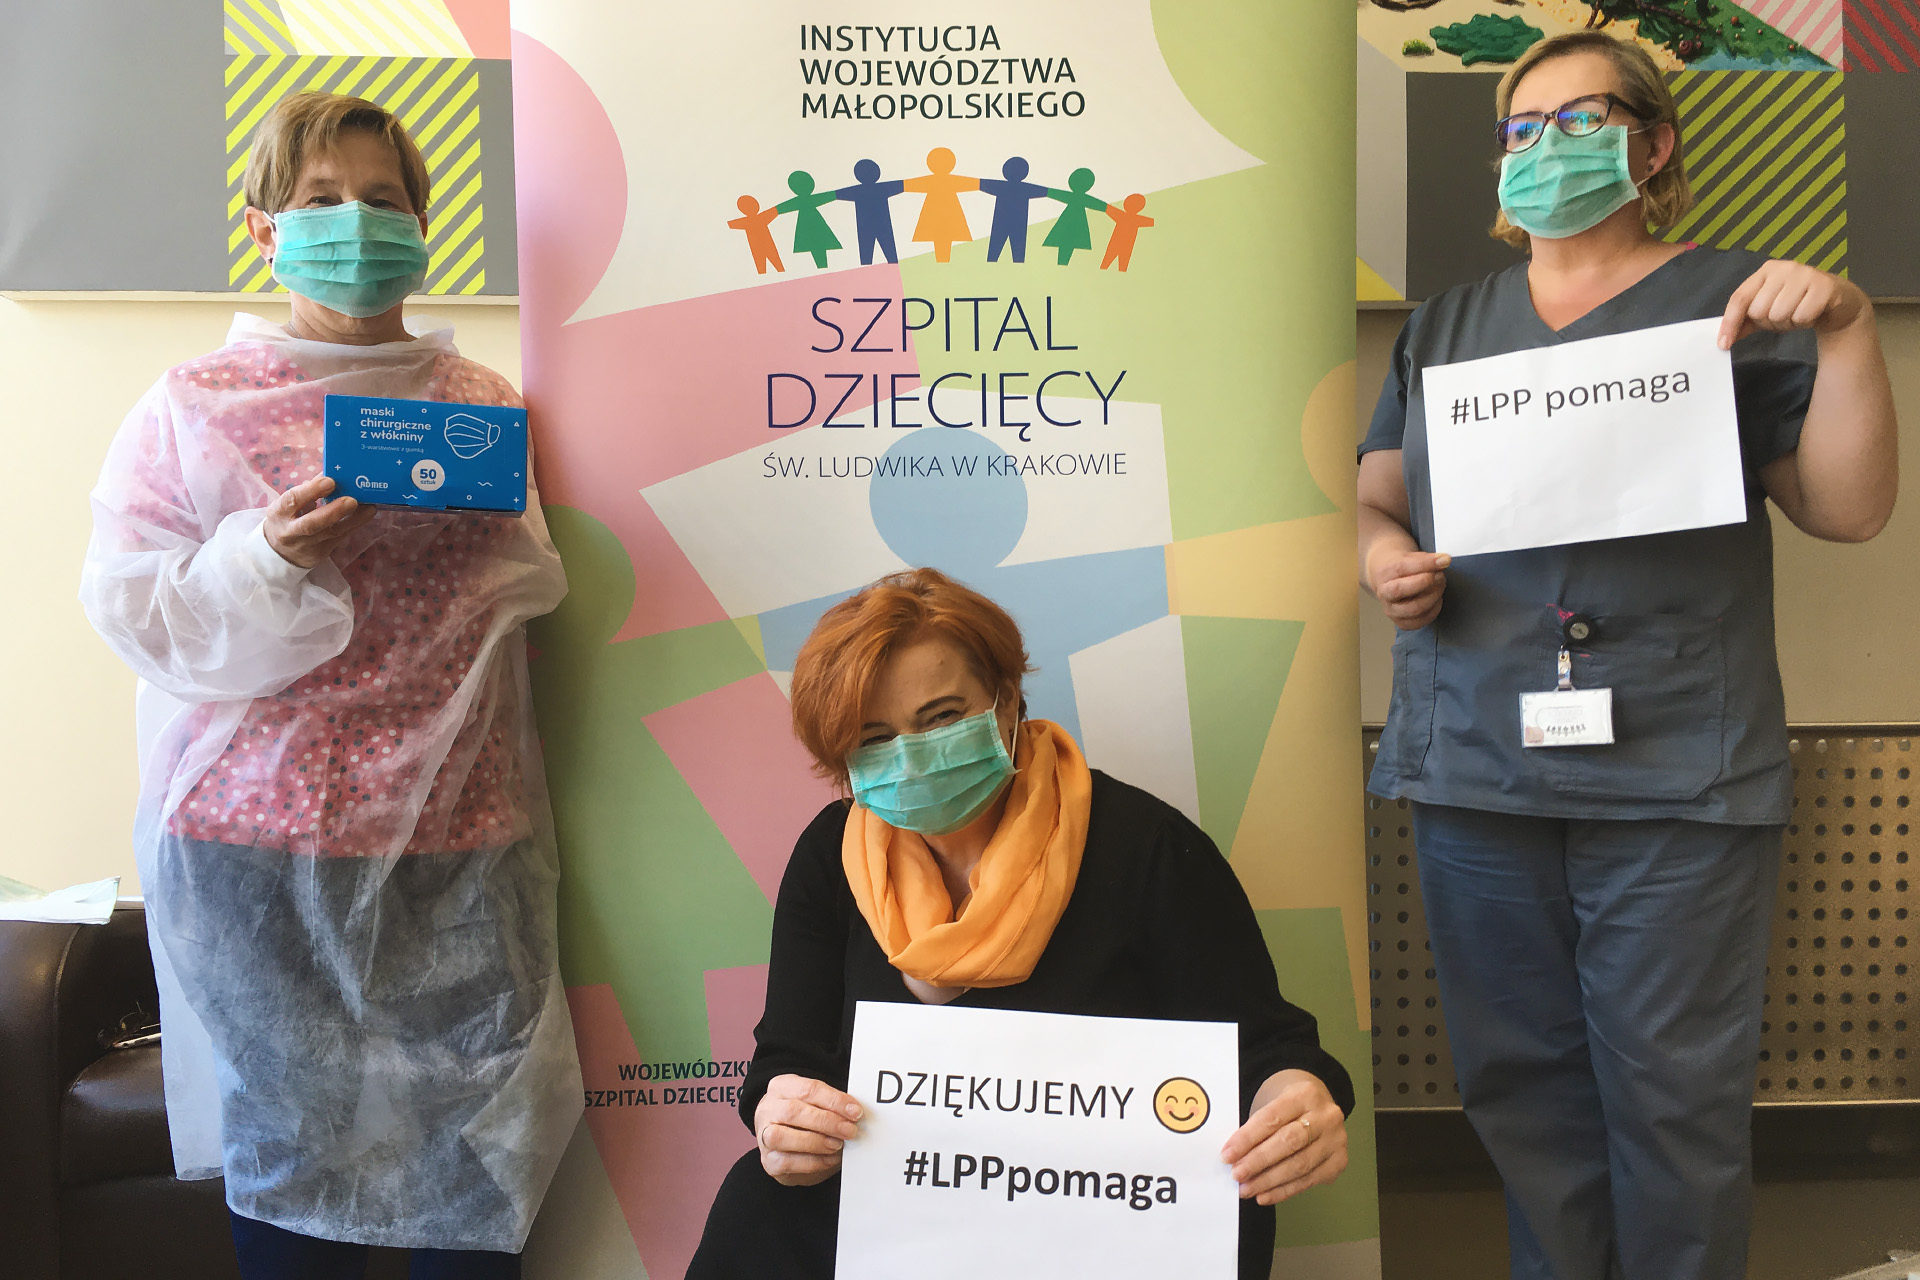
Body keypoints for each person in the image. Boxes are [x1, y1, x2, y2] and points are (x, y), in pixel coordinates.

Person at [1358, 32, 1897, 1280]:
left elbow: (1850, 508)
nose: (1542, 147)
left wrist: (1851, 328)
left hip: (1676, 770)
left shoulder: (1740, 307)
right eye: (1521, 126)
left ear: (1652, 145)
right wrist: (1382, 560)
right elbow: (1379, 496)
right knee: (1520, 1087)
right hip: (1478, 761)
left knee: (1674, 1098)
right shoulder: (1447, 326)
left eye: (1578, 119)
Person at [79, 91, 581, 1277]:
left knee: (481, 1161)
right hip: (259, 845)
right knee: (296, 1169)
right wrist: (265, 555)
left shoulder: (484, 407)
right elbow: (132, 606)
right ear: (266, 229)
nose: (356, 221)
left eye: (382, 198)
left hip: (461, 837)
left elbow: (536, 591)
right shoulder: (194, 404)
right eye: (320, 198)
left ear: (422, 225)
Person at [686, 569, 1354, 1279]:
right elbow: (790, 1056)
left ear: (1006, 701)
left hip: (1102, 1209)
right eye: (875, 738)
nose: (912, 758)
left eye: (941, 718)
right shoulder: (833, 854)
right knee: (756, 1204)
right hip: (899, 1197)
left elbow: (1265, 1049)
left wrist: (1294, 1102)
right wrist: (783, 1114)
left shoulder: (1146, 846)